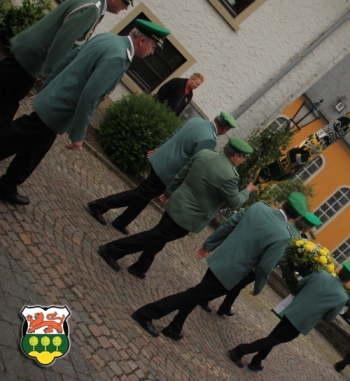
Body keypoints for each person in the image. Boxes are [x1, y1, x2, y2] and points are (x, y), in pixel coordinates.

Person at [0, 19, 165, 206]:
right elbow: (91, 96)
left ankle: (8, 185)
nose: (152, 52)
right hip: (62, 107)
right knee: (18, 135)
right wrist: (78, 134)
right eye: (153, 47)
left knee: (36, 146)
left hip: (57, 100)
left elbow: (69, 58)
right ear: (142, 41)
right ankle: (7, 184)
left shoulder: (109, 38)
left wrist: (47, 88)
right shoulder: (119, 57)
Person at [130, 192, 310, 341]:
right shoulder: (283, 235)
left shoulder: (259, 207)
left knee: (198, 293)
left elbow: (230, 223)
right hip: (233, 272)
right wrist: (258, 287)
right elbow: (265, 266)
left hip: (221, 257)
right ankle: (147, 313)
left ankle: (175, 326)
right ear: (296, 217)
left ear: (284, 203)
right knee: (194, 294)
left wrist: (209, 244)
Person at [97, 137, 256, 278]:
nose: (243, 161)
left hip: (176, 202)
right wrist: (247, 191)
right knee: (154, 236)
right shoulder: (230, 177)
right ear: (236, 156)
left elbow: (182, 173)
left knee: (159, 236)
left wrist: (169, 192)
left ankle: (140, 267)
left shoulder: (205, 154)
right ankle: (111, 250)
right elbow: (234, 202)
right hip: (188, 216)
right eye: (244, 158)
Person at [0, 0, 138, 126]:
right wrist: (49, 72)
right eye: (125, 3)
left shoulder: (93, 0)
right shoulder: (92, 8)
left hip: (30, 54)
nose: (126, 8)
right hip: (33, 59)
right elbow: (64, 40)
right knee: (6, 104)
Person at [87, 112, 237, 235]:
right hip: (168, 171)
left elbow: (174, 134)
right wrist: (177, 186)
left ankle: (122, 221)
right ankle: (100, 205)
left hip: (161, 158)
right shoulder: (209, 140)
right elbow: (195, 166)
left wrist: (159, 148)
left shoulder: (197, 121)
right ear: (225, 129)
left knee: (144, 195)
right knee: (140, 194)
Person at [228, 263, 350, 372]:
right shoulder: (342, 297)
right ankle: (239, 351)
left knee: (274, 337)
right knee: (274, 339)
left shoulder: (321, 274)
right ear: (349, 280)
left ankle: (257, 361)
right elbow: (329, 318)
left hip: (292, 309)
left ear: (339, 270)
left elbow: (300, 284)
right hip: (303, 321)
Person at [199, 211, 322, 316]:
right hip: (258, 266)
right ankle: (203, 297)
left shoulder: (284, 224)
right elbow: (282, 259)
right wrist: (289, 275)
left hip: (252, 256)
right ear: (306, 228)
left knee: (237, 285)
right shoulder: (296, 239)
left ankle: (225, 307)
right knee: (233, 284)